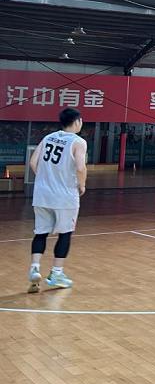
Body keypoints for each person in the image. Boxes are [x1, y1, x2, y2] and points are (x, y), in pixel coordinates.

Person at [27, 107, 87, 291]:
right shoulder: (78, 142)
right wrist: (82, 185)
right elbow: (80, 167)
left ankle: (34, 269)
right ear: (77, 122)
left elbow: (32, 162)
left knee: (40, 233)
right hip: (64, 196)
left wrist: (45, 179)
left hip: (42, 195)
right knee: (65, 233)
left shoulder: (48, 138)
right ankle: (56, 273)